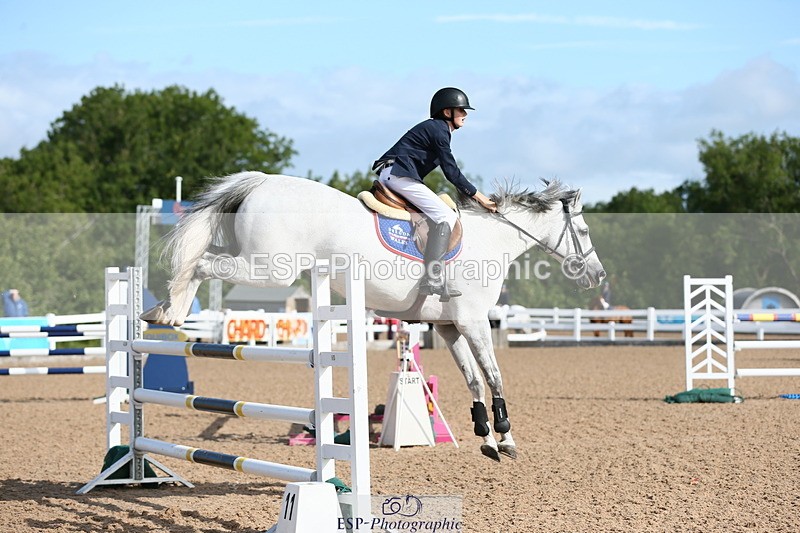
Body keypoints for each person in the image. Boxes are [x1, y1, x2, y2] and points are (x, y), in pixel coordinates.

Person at [373, 87, 497, 299]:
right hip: (399, 174)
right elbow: (451, 172)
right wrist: (481, 198)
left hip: (395, 173)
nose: (465, 115)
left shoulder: (437, 129)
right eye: (461, 110)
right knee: (446, 215)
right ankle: (432, 278)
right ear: (447, 112)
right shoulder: (439, 130)